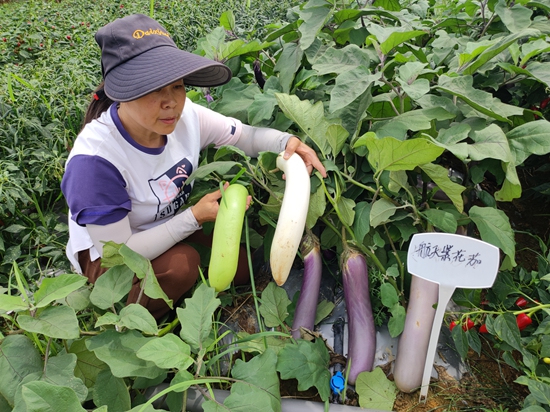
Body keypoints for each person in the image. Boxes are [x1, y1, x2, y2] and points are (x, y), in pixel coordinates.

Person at [61, 13, 326, 320]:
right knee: (182, 266)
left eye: (177, 86)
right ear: (121, 93)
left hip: (162, 227)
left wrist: (286, 142)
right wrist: (194, 217)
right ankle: (138, 323)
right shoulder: (94, 163)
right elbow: (124, 252)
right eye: (152, 89)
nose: (170, 102)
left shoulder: (185, 117)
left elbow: (245, 136)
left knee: (244, 266)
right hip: (113, 259)